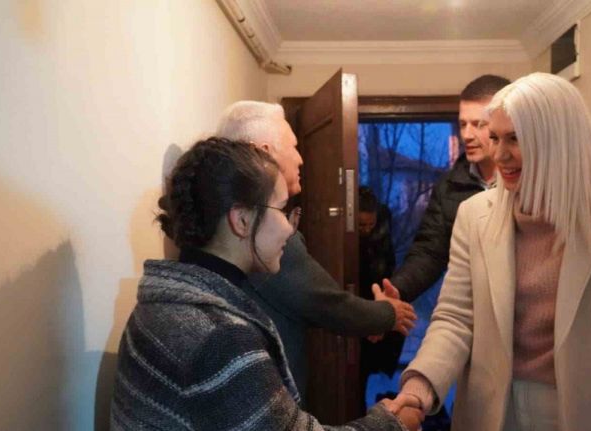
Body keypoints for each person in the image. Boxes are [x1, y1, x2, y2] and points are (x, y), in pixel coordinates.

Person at [386, 73, 591, 430]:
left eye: (515, 138)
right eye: (495, 137)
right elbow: (455, 318)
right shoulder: (473, 215)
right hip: (492, 412)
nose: (500, 154)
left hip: (584, 413)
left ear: (558, 139)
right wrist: (418, 388)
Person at [110, 138, 421, 430]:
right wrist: (391, 423)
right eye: (282, 210)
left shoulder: (164, 304)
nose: (289, 228)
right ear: (241, 220)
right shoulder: (221, 338)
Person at [215, 101, 416, 398]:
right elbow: (325, 303)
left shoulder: (227, 215)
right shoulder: (259, 229)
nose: (300, 159)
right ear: (265, 152)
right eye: (294, 147)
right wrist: (387, 314)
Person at [386, 75, 511, 302]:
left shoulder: (527, 181)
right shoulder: (448, 187)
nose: (467, 135)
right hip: (473, 307)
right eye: (463, 124)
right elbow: (430, 253)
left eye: (479, 124)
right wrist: (398, 290)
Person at [357, 186, 401, 404]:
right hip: (358, 298)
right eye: (361, 225)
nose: (366, 230)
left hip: (378, 293)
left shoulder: (383, 233)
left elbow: (388, 267)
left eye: (370, 225)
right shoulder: (347, 239)